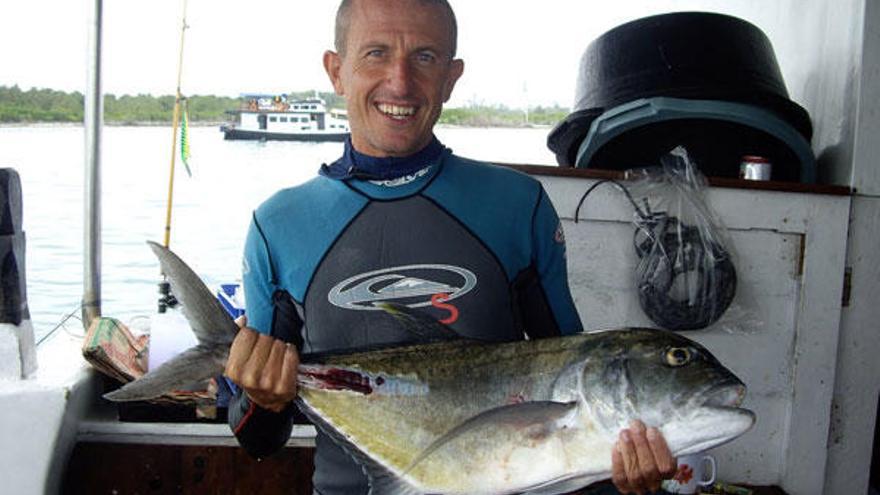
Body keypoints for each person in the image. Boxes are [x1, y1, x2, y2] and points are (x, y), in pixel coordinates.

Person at [224, 1, 676, 494]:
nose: (399, 82)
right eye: (375, 53)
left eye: (424, 57)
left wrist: (622, 472)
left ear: (451, 77)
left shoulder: (515, 205)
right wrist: (261, 399)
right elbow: (260, 440)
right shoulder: (278, 225)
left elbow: (573, 384)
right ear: (336, 71)